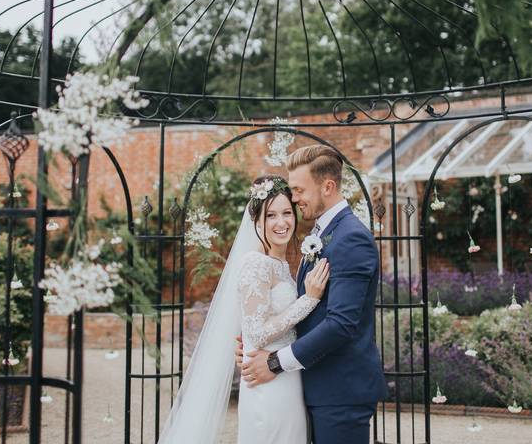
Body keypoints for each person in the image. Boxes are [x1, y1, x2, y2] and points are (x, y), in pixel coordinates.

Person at [157, 173, 330, 443]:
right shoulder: (256, 264)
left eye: (287, 212)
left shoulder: (282, 266)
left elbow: (257, 329)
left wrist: (246, 345)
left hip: (286, 377)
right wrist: (308, 300)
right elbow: (257, 332)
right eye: (271, 215)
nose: (281, 222)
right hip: (267, 384)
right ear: (256, 221)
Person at [239, 144, 385, 444]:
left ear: (328, 186)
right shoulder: (322, 233)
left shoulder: (351, 238)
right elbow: (301, 313)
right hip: (313, 386)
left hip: (340, 392)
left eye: (298, 190)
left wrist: (275, 361)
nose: (294, 199)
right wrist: (254, 343)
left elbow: (342, 323)